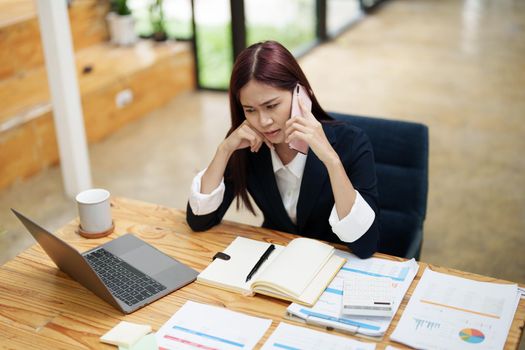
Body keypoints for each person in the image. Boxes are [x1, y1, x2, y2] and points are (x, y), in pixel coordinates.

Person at [186, 41, 379, 258]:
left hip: (334, 265)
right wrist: (224, 150)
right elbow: (200, 221)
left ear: (301, 94)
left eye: (271, 106)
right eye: (250, 110)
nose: (264, 121)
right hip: (275, 261)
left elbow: (365, 245)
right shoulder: (246, 142)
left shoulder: (351, 142)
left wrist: (332, 161)